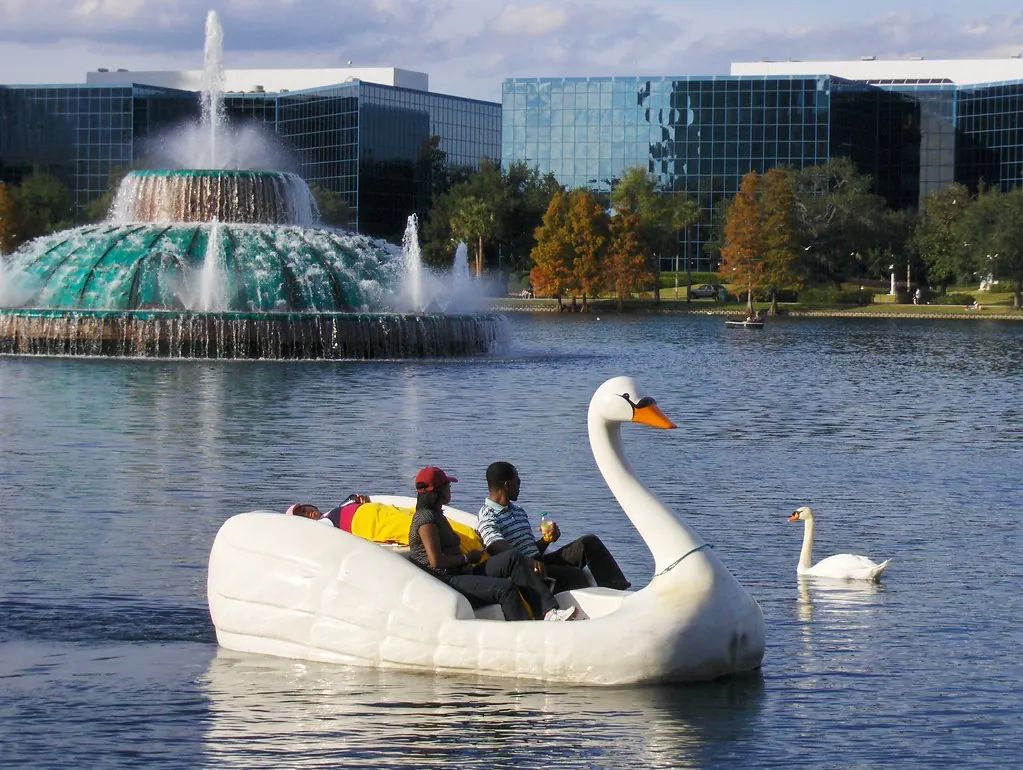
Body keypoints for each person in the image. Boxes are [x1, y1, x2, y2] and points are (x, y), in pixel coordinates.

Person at [408, 466, 575, 622]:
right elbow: (436, 561)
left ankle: (548, 612)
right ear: (436, 491)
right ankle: (525, 631)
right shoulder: (425, 520)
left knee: (512, 557)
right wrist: (466, 558)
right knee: (505, 588)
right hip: (448, 580)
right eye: (447, 486)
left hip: (463, 572)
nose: (450, 489)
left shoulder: (437, 515)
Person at [477, 461, 631, 593]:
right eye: (518, 481)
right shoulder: (487, 516)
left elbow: (532, 551)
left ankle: (618, 590)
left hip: (538, 561)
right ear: (507, 485)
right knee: (575, 575)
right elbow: (496, 546)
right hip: (523, 572)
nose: (520, 485)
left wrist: (546, 540)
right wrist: (528, 562)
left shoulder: (518, 512)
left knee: (588, 543)